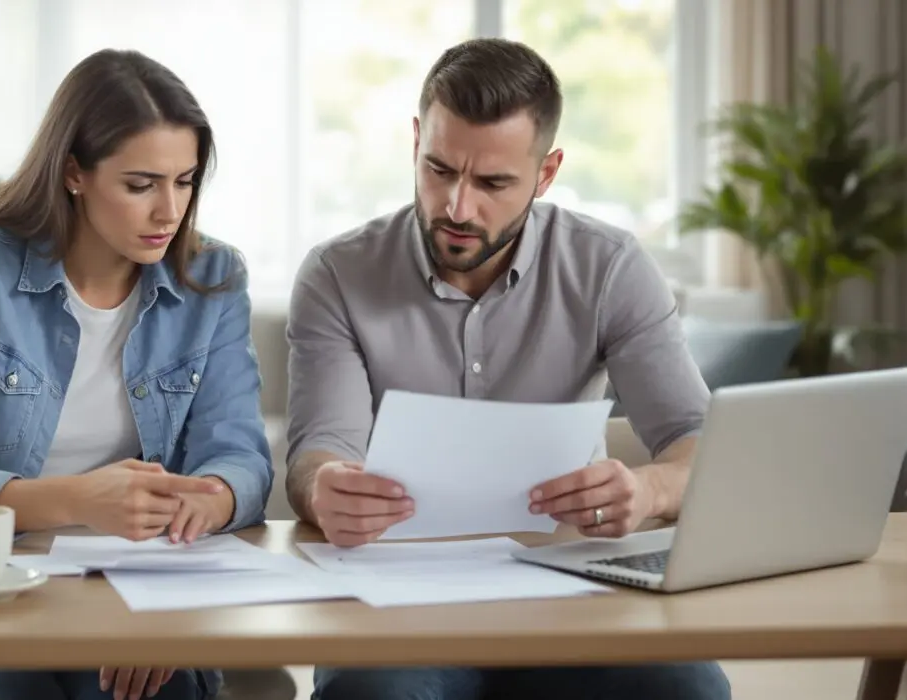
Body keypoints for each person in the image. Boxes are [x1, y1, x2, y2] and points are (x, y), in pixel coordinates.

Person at [284, 37, 731, 700]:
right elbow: (318, 452)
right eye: (439, 170)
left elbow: (700, 443)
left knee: (688, 689)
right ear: (416, 142)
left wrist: (648, 491)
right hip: (398, 598)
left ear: (546, 174)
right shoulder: (337, 274)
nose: (457, 207)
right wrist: (323, 488)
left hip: (574, 589)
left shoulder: (609, 267)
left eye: (493, 183)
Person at [0, 49, 272, 700]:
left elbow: (241, 459)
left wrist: (214, 498)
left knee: (159, 691)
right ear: (73, 173)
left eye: (185, 181)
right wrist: (76, 499)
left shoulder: (214, 278)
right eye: (141, 185)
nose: (169, 211)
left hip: (134, 588)